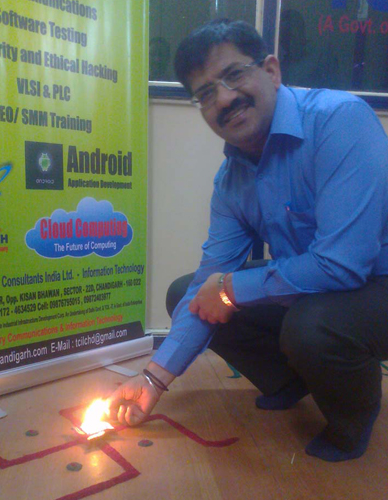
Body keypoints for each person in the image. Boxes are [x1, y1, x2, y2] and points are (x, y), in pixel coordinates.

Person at [108, 19, 388, 462]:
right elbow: (212, 276)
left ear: (271, 70)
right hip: (321, 287)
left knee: (310, 324)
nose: (223, 99)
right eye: (205, 94)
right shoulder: (231, 180)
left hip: (376, 281)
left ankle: (353, 418)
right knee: (188, 294)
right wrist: (152, 378)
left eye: (234, 74)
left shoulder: (339, 120)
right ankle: (289, 381)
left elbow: (343, 264)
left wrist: (231, 288)